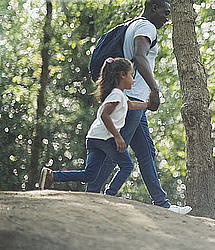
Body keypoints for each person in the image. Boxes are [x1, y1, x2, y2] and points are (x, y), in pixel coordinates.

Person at [86, 0, 191, 215]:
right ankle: (92, 194)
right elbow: (140, 57)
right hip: (130, 98)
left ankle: (161, 203)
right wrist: (155, 90)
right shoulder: (147, 28)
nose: (167, 19)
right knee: (117, 147)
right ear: (153, 9)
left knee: (146, 151)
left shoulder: (133, 24)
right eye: (165, 13)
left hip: (133, 99)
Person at [39, 58, 142, 194]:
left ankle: (53, 176)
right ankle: (110, 193)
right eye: (131, 75)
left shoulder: (118, 95)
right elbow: (105, 115)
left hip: (94, 137)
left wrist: (148, 105)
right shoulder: (117, 94)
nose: (133, 80)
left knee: (90, 175)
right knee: (127, 166)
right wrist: (118, 137)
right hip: (106, 138)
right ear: (122, 75)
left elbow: (131, 105)